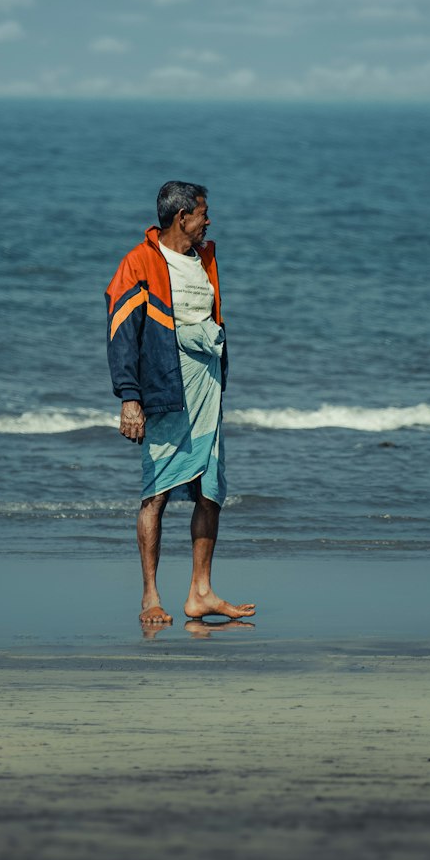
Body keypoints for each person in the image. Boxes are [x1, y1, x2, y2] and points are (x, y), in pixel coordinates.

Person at [105, 181, 256, 628]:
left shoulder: (205, 258)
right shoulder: (140, 262)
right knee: (157, 494)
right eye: (203, 213)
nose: (208, 220)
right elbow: (120, 334)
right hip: (164, 389)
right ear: (181, 217)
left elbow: (209, 321)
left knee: (211, 493)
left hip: (208, 388)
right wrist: (129, 398)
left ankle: (200, 593)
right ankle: (151, 595)